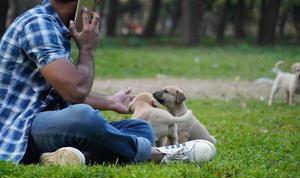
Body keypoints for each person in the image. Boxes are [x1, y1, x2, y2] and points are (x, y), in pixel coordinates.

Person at [0, 0, 216, 166]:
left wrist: (110, 102)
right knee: (84, 118)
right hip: (18, 130)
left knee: (140, 127)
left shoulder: (55, 27)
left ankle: (64, 157)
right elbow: (74, 91)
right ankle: (160, 155)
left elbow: (60, 91)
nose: (97, 8)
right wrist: (86, 49)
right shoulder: (39, 25)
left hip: (46, 127)